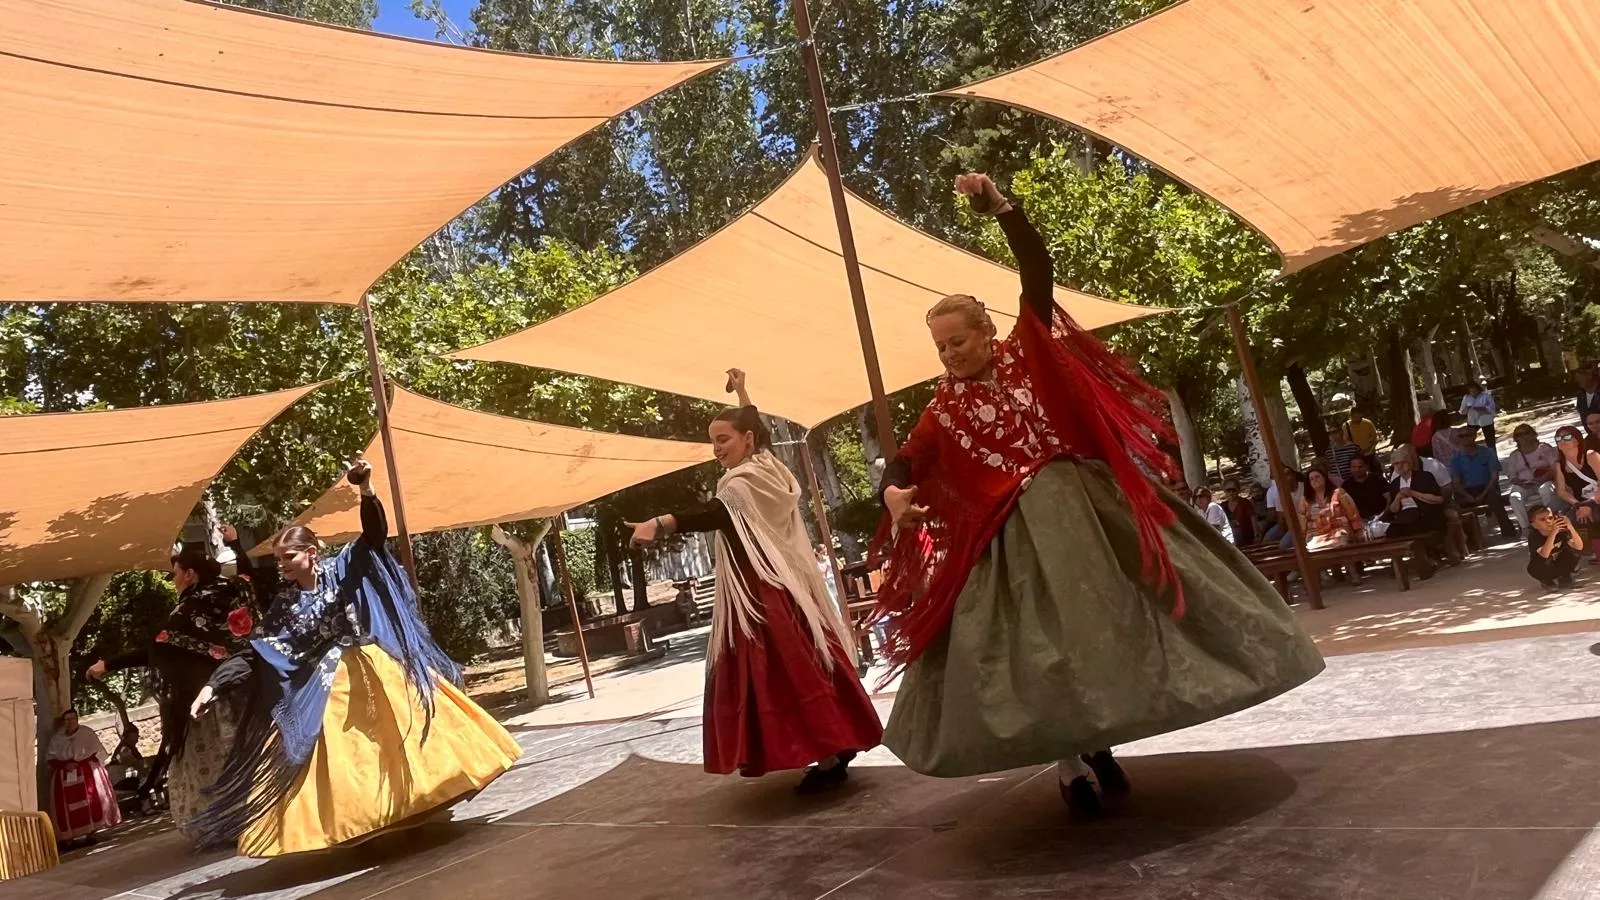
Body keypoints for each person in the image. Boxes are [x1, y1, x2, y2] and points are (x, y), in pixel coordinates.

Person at [872, 172, 1323, 816]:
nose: (950, 354)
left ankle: (1099, 744)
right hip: (1009, 544)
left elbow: (1036, 274)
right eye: (941, 347)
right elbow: (906, 460)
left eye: (959, 340)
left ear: (988, 332)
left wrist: (1001, 208)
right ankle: (1071, 761)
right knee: (1041, 653)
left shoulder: (1029, 352)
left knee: (1116, 628)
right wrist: (893, 494)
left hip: (1087, 512)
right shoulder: (942, 408)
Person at [186, 457, 520, 857]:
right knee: (352, 756)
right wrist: (213, 686)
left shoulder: (346, 568)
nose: (281, 566)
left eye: (287, 558)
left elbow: (375, 534)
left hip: (373, 668)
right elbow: (261, 653)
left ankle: (415, 805)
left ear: (311, 553)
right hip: (329, 688)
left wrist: (365, 489)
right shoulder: (286, 604)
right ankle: (364, 821)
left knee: (402, 742)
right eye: (277, 560)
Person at [627, 370, 882, 793]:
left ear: (746, 439)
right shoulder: (766, 466)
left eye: (723, 439)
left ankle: (830, 749)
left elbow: (718, 514)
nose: (716, 449)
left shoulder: (747, 480)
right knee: (802, 666)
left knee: (788, 671)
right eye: (713, 442)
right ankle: (835, 743)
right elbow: (757, 431)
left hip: (765, 590)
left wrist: (663, 522)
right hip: (773, 587)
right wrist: (744, 391)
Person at [86, 527, 258, 840]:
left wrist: (107, 664)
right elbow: (248, 575)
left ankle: (223, 827)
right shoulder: (232, 591)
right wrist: (235, 542)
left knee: (207, 765)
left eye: (176, 573)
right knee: (243, 757)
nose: (174, 580)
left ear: (189, 574)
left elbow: (158, 649)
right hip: (245, 695)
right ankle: (254, 817)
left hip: (203, 705)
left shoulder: (187, 610)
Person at [47, 708, 121, 846]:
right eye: (67, 720)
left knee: (90, 801)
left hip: (87, 772)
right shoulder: (57, 739)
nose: (70, 722)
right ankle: (69, 837)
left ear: (77, 719)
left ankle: (91, 833)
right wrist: (64, 765)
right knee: (65, 807)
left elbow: (98, 752)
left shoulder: (87, 733)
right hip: (64, 775)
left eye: (72, 719)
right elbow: (50, 758)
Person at [1385, 444, 1448, 575]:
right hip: (1405, 515)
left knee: (1414, 526)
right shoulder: (1395, 483)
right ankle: (1398, 565)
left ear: (1410, 462)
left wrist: (1413, 493)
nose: (1400, 466)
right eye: (1396, 464)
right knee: (1391, 531)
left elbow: (1439, 499)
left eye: (1403, 463)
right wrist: (1397, 498)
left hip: (1427, 512)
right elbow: (1394, 510)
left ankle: (1427, 559)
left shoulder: (1424, 476)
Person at [1451, 427, 1517, 538]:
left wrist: (1483, 493)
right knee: (1454, 508)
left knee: (1495, 499)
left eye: (1469, 435)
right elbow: (1456, 482)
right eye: (1462, 436)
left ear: (1475, 436)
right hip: (1466, 490)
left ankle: (1508, 531)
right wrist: (1467, 495)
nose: (1466, 438)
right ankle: (1469, 539)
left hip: (1486, 487)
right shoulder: (1456, 458)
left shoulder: (1487, 452)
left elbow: (1494, 477)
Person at [1552, 425, 1600, 566]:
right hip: (1580, 502)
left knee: (1596, 514)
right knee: (1567, 522)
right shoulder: (1559, 465)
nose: (1562, 441)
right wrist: (1578, 505)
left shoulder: (1591, 456)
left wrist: (1590, 503)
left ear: (1577, 440)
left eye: (1567, 437)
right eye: (1558, 438)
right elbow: (1561, 491)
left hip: (1596, 498)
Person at [1504, 425, 1559, 533]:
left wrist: (1544, 477)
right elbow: (1511, 476)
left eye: (1526, 433)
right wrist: (1520, 483)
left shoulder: (1545, 448)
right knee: (1515, 497)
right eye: (1519, 435)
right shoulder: (1514, 455)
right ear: (1516, 438)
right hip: (1524, 485)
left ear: (1533, 434)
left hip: (1545, 481)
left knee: (1546, 490)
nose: (1523, 436)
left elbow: (1555, 467)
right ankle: (1526, 528)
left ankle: (1552, 520)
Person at [1297, 465, 1363, 550]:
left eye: (1317, 477)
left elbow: (1353, 513)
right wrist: (1302, 538)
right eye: (1311, 479)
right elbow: (1302, 522)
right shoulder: (1305, 500)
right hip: (1315, 535)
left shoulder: (1339, 493)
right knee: (1311, 549)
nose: (1314, 480)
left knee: (1340, 543)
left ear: (1324, 478)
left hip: (1339, 531)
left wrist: (1358, 530)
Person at [1526, 505, 1583, 590]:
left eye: (1550, 518)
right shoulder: (1534, 536)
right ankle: (1546, 580)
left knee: (1574, 552)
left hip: (1558, 564)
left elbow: (1579, 546)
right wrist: (1553, 533)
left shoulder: (1561, 531)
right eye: (1542, 520)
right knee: (1541, 561)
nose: (1548, 521)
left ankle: (1564, 576)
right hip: (1542, 568)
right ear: (1534, 525)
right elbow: (1544, 554)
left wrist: (1570, 527)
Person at [1341, 455, 1392, 524]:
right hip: (1359, 521)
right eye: (1353, 467)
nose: (1357, 470)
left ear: (1366, 466)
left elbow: (1389, 499)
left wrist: (1381, 516)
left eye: (1360, 467)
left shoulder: (1378, 479)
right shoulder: (1346, 485)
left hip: (1382, 518)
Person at [1261, 469, 1302, 550]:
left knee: (1284, 545)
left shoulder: (1304, 487)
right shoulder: (1279, 493)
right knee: (1267, 539)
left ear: (1294, 474)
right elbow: (1281, 519)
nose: (1285, 478)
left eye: (1287, 474)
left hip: (1302, 522)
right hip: (1290, 524)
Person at [1458, 382, 1499, 454]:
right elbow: (1461, 411)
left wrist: (1480, 408)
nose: (1473, 393)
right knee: (1469, 440)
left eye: (1475, 391)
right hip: (1473, 421)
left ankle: (1494, 458)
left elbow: (1492, 408)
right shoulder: (1466, 397)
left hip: (1486, 420)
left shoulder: (1486, 396)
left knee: (1490, 442)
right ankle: (1473, 456)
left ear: (1478, 389)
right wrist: (1467, 408)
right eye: (1471, 392)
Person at [1221, 479, 1257, 547]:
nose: (1231, 492)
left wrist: (1256, 534)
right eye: (1228, 490)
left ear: (1238, 490)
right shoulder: (1222, 506)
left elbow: (1253, 518)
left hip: (1246, 539)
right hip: (1230, 540)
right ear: (1224, 491)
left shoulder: (1245, 503)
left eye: (1233, 490)